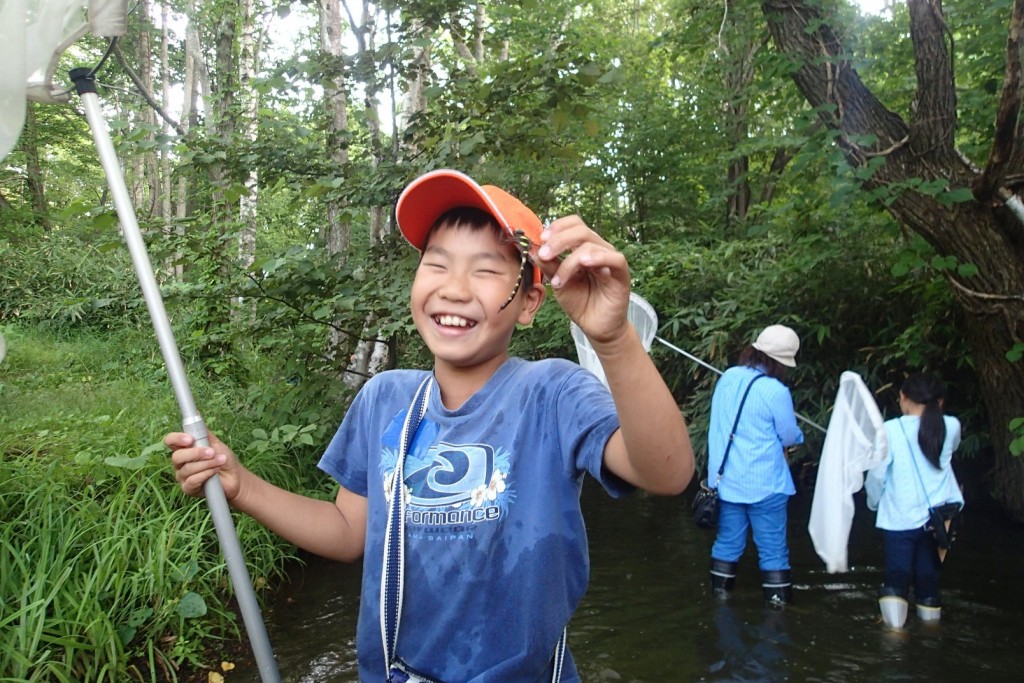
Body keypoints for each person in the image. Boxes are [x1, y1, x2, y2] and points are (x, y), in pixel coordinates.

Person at [165, 169, 694, 682]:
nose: (455, 288)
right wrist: (243, 486)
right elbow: (349, 532)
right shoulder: (384, 398)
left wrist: (613, 339)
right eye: (437, 264)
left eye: (486, 270)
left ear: (529, 301)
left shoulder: (554, 393)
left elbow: (667, 473)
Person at [706, 324, 804, 608]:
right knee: (773, 551)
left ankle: (719, 602)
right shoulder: (776, 391)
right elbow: (788, 435)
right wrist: (799, 436)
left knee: (727, 544)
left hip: (726, 482)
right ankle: (778, 613)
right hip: (766, 484)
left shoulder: (727, 378)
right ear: (780, 362)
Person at [865, 372, 963, 628]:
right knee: (929, 580)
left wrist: (873, 503)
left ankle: (895, 639)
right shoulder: (951, 426)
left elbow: (877, 475)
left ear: (903, 398)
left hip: (900, 517)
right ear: (939, 401)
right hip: (941, 518)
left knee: (896, 580)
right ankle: (931, 634)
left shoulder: (889, 430)